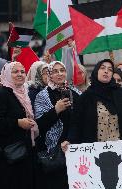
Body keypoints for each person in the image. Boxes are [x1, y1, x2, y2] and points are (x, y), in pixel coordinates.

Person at [61, 59, 122, 149]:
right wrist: (70, 141)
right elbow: (76, 124)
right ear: (96, 71)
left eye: (110, 69)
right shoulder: (86, 97)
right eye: (102, 68)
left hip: (121, 150)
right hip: (94, 152)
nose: (106, 71)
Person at [0, 62, 39, 189]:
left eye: (22, 71)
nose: (20, 74)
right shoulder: (2, 95)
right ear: (7, 74)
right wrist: (17, 123)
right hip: (8, 154)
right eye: (15, 72)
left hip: (25, 151)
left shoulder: (24, 93)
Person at [34, 61, 81, 189]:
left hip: (76, 148)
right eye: (55, 71)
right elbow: (40, 125)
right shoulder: (42, 96)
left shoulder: (75, 92)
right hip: (55, 152)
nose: (60, 74)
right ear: (49, 75)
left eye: (62, 70)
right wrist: (56, 110)